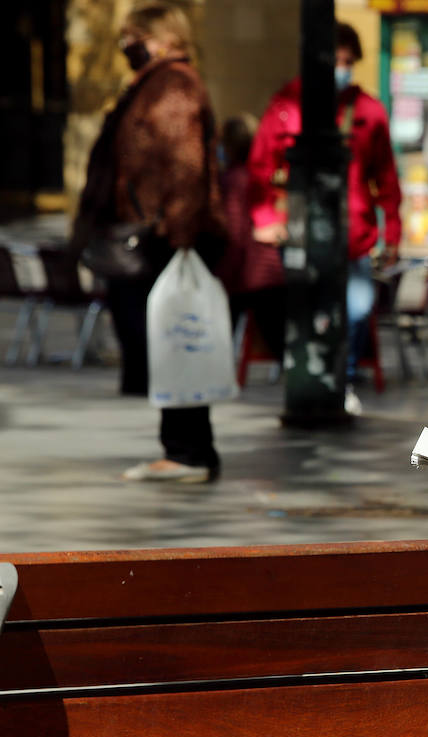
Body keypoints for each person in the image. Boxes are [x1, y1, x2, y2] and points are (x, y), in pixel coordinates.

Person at [73, 2, 226, 483]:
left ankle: (187, 451)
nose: (126, 45)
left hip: (163, 239)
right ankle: (183, 448)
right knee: (166, 343)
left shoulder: (173, 85)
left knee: (172, 342)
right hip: (156, 236)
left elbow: (184, 166)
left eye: (133, 35)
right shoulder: (154, 84)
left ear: (160, 37)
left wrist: (179, 237)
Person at [249, 22, 401, 413]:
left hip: (355, 236)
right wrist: (266, 217)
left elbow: (385, 177)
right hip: (297, 233)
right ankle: (312, 378)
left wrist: (392, 233)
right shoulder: (285, 105)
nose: (342, 67)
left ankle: (341, 377)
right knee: (306, 308)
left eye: (348, 61)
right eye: (335, 59)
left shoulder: (368, 111)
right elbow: (261, 168)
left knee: (356, 307)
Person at [217, 114, 286, 361]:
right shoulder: (263, 178)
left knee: (222, 337)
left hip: (244, 272)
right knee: (277, 337)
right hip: (267, 272)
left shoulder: (232, 180)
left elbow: (235, 232)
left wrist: (225, 274)